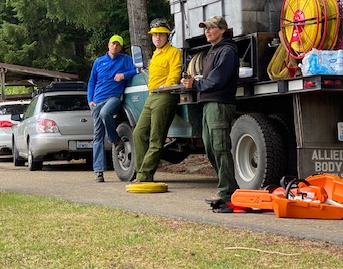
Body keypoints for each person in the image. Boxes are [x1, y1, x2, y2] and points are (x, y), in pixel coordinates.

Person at [181, 15, 239, 204]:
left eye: (211, 28)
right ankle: (225, 186)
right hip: (208, 103)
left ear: (222, 30)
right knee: (210, 146)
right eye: (205, 28)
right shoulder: (214, 51)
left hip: (219, 104)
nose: (207, 31)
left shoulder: (227, 51)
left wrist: (195, 85)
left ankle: (228, 191)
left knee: (220, 147)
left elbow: (217, 80)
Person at [132, 18, 182, 183]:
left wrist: (167, 85)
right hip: (152, 96)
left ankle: (144, 176)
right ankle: (141, 173)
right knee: (139, 133)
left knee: (156, 138)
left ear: (167, 36)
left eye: (161, 34)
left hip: (165, 96)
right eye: (154, 35)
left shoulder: (173, 52)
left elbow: (175, 74)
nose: (157, 38)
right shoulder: (155, 54)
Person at [87, 34, 137, 183]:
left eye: (118, 45)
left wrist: (123, 75)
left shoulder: (125, 59)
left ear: (121, 47)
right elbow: (91, 82)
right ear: (108, 45)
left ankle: (115, 140)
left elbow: (137, 70)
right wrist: (90, 100)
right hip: (97, 101)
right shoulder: (99, 61)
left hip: (114, 98)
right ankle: (99, 172)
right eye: (113, 44)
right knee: (97, 137)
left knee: (106, 113)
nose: (115, 46)